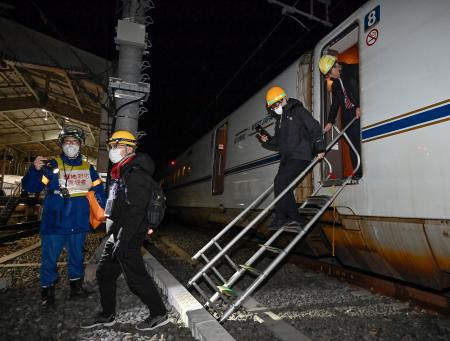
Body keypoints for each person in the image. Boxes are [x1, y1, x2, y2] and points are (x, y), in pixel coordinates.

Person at [80, 130, 169, 331]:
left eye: (116, 146)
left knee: (136, 278)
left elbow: (136, 212)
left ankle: (159, 313)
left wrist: (123, 240)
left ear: (129, 148)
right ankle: (107, 315)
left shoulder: (135, 174)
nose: (112, 150)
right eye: (111, 146)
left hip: (129, 234)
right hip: (119, 233)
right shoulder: (123, 171)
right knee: (104, 274)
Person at [21, 125, 106, 307]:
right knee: (49, 258)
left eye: (74, 141)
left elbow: (99, 190)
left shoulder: (88, 168)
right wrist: (34, 170)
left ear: (81, 145)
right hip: (55, 223)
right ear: (61, 144)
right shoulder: (51, 166)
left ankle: (75, 289)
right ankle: (47, 294)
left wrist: (108, 209)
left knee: (76, 256)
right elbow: (32, 187)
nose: (71, 144)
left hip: (78, 222)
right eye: (67, 141)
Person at [259, 86, 325, 230]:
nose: (274, 109)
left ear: (283, 99)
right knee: (280, 184)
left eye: (276, 104)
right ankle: (289, 218)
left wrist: (320, 147)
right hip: (287, 158)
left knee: (280, 181)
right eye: (272, 107)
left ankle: (284, 218)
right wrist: (267, 140)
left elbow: (314, 127)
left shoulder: (297, 111)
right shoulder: (280, 120)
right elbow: (278, 141)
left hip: (300, 155)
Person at [319, 54, 362, 177]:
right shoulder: (335, 84)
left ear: (336, 66)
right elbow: (335, 105)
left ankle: (364, 171)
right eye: (328, 75)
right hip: (348, 116)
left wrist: (359, 104)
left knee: (359, 142)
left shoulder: (353, 70)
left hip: (357, 109)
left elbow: (362, 87)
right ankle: (357, 173)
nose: (330, 77)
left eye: (329, 73)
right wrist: (329, 122)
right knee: (352, 145)